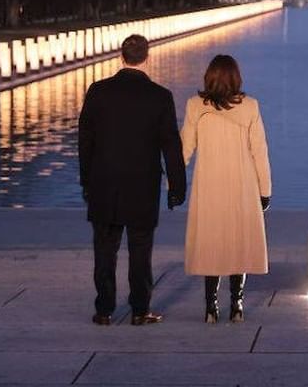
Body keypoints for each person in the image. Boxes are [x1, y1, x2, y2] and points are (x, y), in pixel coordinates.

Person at [77, 34, 186, 326]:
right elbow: (170, 145)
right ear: (147, 57)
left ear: (121, 56)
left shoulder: (98, 91)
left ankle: (104, 310)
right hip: (141, 184)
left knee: (104, 249)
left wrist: (85, 179)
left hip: (104, 182)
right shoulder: (160, 96)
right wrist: (177, 187)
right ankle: (140, 310)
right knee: (140, 250)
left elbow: (85, 140)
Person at [181, 54, 272, 324]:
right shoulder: (250, 106)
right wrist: (264, 190)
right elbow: (260, 153)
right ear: (236, 77)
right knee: (237, 242)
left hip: (208, 185)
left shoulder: (196, 106)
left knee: (212, 243)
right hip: (242, 185)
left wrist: (172, 182)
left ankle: (211, 307)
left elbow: (184, 147)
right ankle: (237, 304)